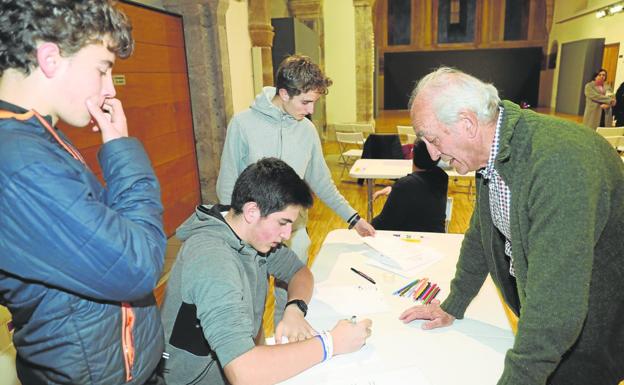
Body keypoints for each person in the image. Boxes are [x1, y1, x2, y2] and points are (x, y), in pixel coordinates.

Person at [399, 67, 624, 385]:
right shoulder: (491, 153)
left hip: (588, 336)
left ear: (468, 123)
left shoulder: (558, 164)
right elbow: (480, 235)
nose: (433, 155)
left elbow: (557, 306)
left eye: (433, 140)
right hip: (550, 321)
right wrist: (454, 304)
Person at [0, 1, 167, 384]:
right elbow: (139, 263)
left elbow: (112, 231)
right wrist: (121, 148)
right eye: (102, 70)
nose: (109, 90)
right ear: (50, 58)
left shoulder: (37, 137)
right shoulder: (20, 162)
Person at [161, 158, 372, 385]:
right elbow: (245, 372)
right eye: (283, 222)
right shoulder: (213, 259)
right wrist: (331, 343)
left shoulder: (250, 235)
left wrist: (295, 308)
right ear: (252, 211)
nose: (287, 234)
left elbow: (299, 272)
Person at [216, 54, 375, 324]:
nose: (311, 110)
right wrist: (237, 235)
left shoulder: (307, 131)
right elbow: (226, 186)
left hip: (293, 232)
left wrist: (354, 219)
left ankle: (285, 342)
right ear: (283, 93)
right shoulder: (242, 125)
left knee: (288, 301)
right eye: (306, 102)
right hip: (250, 232)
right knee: (249, 304)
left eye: (314, 102)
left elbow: (322, 182)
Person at [371, 139, 448, 232]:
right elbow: (421, 193)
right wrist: (394, 190)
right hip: (435, 239)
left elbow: (383, 224)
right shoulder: (442, 176)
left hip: (412, 241)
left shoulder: (405, 186)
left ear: (412, 154)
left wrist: (367, 224)